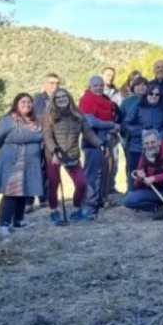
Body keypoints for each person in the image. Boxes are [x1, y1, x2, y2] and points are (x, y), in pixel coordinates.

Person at [0, 94, 45, 237]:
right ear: (16, 104)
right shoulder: (8, 120)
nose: (27, 104)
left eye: (29, 102)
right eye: (23, 102)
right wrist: (10, 148)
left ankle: (19, 221)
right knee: (11, 192)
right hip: (11, 160)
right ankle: (4, 225)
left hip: (30, 162)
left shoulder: (36, 122)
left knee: (24, 191)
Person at [43, 88, 101, 224]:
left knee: (81, 183)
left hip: (72, 154)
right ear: (54, 101)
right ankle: (54, 211)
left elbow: (88, 132)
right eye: (58, 98)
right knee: (54, 183)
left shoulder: (78, 114)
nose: (62, 99)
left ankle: (76, 211)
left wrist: (100, 144)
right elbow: (47, 138)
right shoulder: (49, 116)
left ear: (69, 98)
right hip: (54, 155)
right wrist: (54, 151)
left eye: (64, 96)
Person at [122, 130, 163, 225]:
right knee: (128, 200)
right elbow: (136, 185)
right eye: (147, 143)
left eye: (153, 142)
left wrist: (155, 178)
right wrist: (140, 178)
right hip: (156, 192)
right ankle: (159, 208)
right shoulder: (144, 156)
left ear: (159, 142)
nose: (150, 146)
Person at [78, 75, 120, 214]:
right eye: (95, 85)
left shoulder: (106, 100)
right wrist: (111, 125)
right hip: (92, 142)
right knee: (92, 173)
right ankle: (88, 202)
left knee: (105, 172)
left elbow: (114, 115)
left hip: (106, 141)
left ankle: (101, 199)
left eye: (101, 85)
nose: (99, 87)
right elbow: (90, 122)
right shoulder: (86, 101)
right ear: (90, 87)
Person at [27, 72, 61, 212]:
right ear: (45, 84)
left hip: (53, 140)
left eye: (57, 83)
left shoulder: (60, 99)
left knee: (49, 170)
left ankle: (45, 198)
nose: (55, 86)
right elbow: (33, 117)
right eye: (51, 83)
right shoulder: (37, 99)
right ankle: (28, 201)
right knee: (33, 169)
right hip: (37, 139)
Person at [122, 83, 163, 186]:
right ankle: (131, 196)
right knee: (134, 173)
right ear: (146, 94)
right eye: (151, 94)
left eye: (157, 94)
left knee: (153, 173)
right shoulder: (137, 107)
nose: (154, 96)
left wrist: (161, 134)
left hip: (155, 149)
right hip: (137, 147)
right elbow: (125, 124)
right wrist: (141, 132)